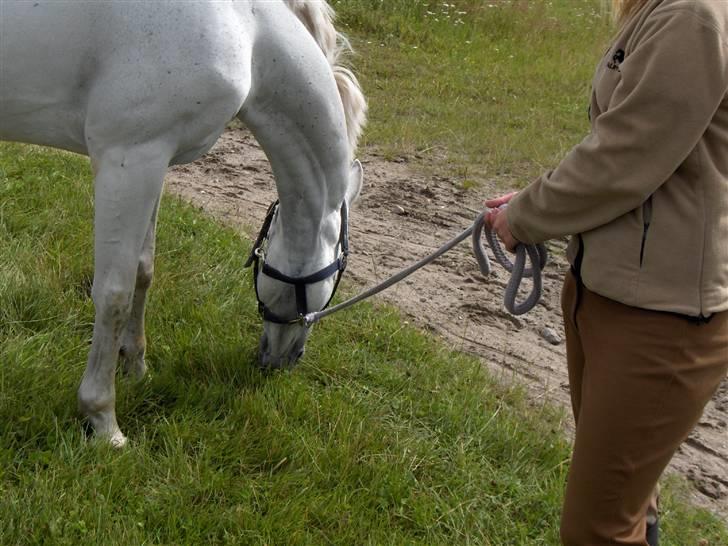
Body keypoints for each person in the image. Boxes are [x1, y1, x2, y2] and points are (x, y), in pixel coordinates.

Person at [484, 0, 728, 544]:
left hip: (659, 319)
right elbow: (618, 139)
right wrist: (533, 200)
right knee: (628, 508)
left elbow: (623, 159)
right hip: (611, 295)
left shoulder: (692, 17)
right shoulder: (661, 9)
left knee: (598, 530)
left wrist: (527, 215)